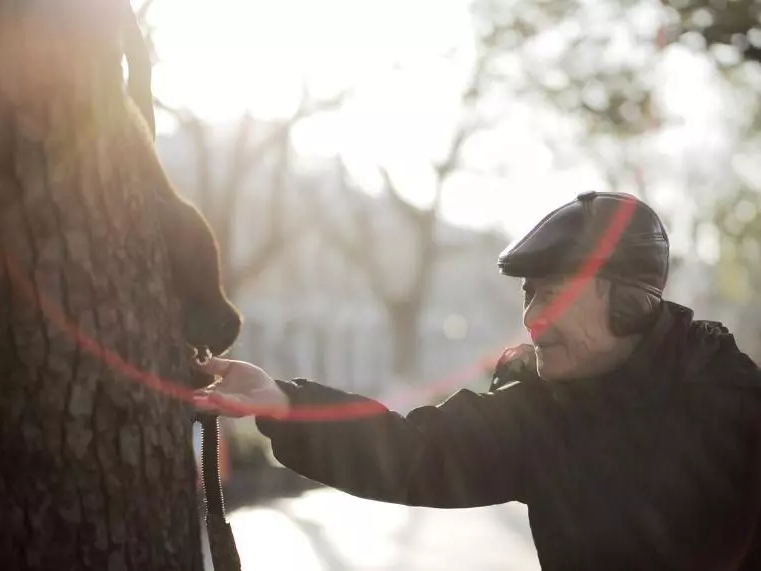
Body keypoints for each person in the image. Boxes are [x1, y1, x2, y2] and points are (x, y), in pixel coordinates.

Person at [194, 191, 761, 571]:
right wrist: (286, 404)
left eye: (553, 293)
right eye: (528, 295)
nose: (532, 318)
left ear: (628, 303)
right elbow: (411, 450)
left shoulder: (731, 399)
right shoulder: (539, 412)